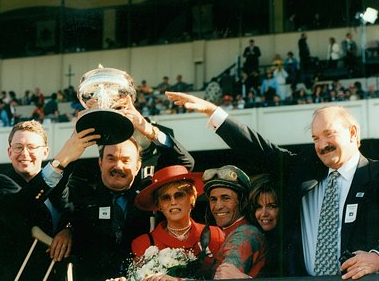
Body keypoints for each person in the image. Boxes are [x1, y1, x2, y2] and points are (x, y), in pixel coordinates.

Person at [166, 91, 379, 279]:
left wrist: (378, 258)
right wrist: (211, 111)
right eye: (315, 138)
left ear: (353, 133)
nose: (321, 145)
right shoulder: (305, 171)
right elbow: (260, 151)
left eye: (328, 134)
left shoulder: (375, 175)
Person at [67, 95, 195, 280]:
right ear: (100, 162)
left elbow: (184, 163)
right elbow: (57, 189)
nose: (118, 166)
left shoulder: (148, 193)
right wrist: (66, 228)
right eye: (111, 158)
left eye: (126, 160)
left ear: (137, 166)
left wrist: (148, 130)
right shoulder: (82, 193)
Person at [0, 120, 84, 280]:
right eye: (18, 147)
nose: (25, 153)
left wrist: (69, 230)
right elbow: (21, 206)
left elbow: (72, 213)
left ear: (45, 152)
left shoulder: (60, 186)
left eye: (32, 147)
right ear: (9, 152)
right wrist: (58, 163)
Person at [129, 165, 225, 280]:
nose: (173, 202)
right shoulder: (143, 243)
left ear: (192, 198)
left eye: (179, 195)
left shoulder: (215, 235)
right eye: (166, 197)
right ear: (159, 205)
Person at [202, 165, 267, 279]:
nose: (218, 206)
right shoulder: (234, 231)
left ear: (243, 202)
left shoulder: (244, 235)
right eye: (213, 199)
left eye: (226, 198)